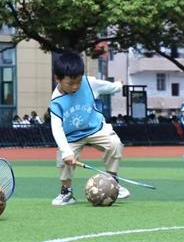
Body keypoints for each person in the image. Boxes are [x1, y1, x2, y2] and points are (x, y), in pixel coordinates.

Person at [48, 51, 129, 206]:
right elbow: (56, 128)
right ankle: (66, 192)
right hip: (72, 135)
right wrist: (66, 152)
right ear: (57, 79)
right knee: (63, 158)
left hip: (95, 128)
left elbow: (108, 87)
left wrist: (118, 85)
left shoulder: (89, 83)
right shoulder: (56, 101)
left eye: (78, 82)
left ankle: (112, 181)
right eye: (70, 84)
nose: (75, 87)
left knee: (115, 143)